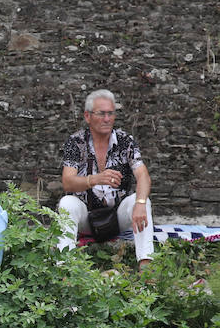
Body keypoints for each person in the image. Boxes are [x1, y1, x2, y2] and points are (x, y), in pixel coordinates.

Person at [56, 89, 155, 268]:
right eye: (101, 114)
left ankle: (146, 270)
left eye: (111, 113)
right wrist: (94, 179)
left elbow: (143, 176)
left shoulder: (125, 140)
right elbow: (67, 182)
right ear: (88, 116)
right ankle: (64, 269)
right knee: (66, 203)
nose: (107, 119)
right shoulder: (76, 142)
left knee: (142, 201)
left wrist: (140, 203)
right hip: (86, 217)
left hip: (117, 216)